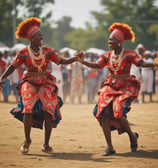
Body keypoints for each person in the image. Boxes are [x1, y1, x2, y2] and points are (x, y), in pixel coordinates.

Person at [76, 23, 158, 156]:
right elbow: (97, 65)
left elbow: (141, 63)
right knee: (104, 113)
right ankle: (109, 147)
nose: (109, 41)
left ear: (119, 41)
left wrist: (154, 63)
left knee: (118, 111)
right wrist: (82, 61)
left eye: (112, 39)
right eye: (108, 39)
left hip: (125, 85)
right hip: (110, 85)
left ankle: (132, 136)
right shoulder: (107, 55)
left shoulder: (129, 54)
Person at [0, 17, 78, 154]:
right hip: (29, 81)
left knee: (48, 111)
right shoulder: (23, 52)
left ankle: (46, 144)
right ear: (31, 38)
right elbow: (12, 66)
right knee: (28, 108)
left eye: (41, 34)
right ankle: (27, 140)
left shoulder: (48, 51)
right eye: (39, 35)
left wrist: (75, 58)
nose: (42, 37)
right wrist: (2, 77)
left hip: (45, 82)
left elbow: (62, 61)